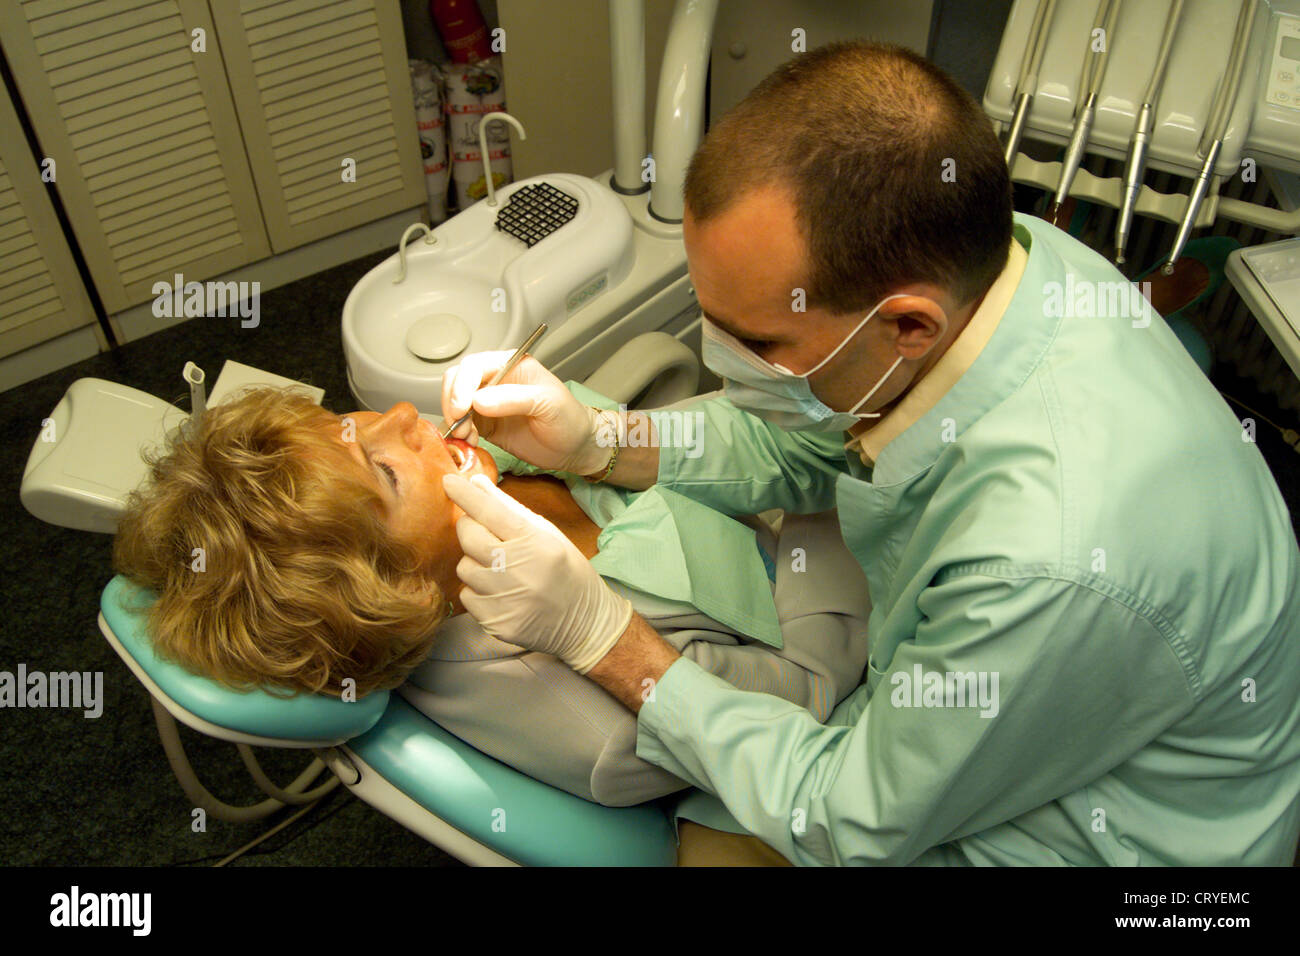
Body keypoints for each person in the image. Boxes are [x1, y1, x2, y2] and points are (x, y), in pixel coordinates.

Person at [438, 41, 1300, 865]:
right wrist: (599, 440)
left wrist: (604, 640)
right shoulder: (1004, 261)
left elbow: (848, 822)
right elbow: (820, 443)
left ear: (908, 326)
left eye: (757, 342)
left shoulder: (1047, 558)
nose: (721, 362)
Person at [111, 386, 871, 814]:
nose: (404, 418)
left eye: (347, 423)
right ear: (402, 590)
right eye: (386, 470)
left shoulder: (455, 487)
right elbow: (809, 690)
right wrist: (832, 492)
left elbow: (692, 448)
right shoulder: (598, 723)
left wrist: (603, 437)